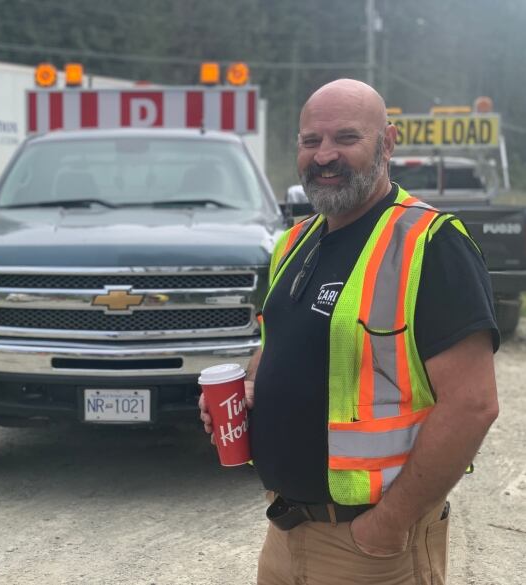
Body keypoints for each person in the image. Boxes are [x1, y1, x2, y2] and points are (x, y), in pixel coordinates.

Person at [199, 79, 499, 584]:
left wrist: (388, 525)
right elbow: (278, 344)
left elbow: (473, 404)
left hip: (370, 547)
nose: (324, 156)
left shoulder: (432, 243)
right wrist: (252, 388)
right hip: (286, 532)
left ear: (387, 143)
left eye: (346, 138)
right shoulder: (295, 242)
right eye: (311, 141)